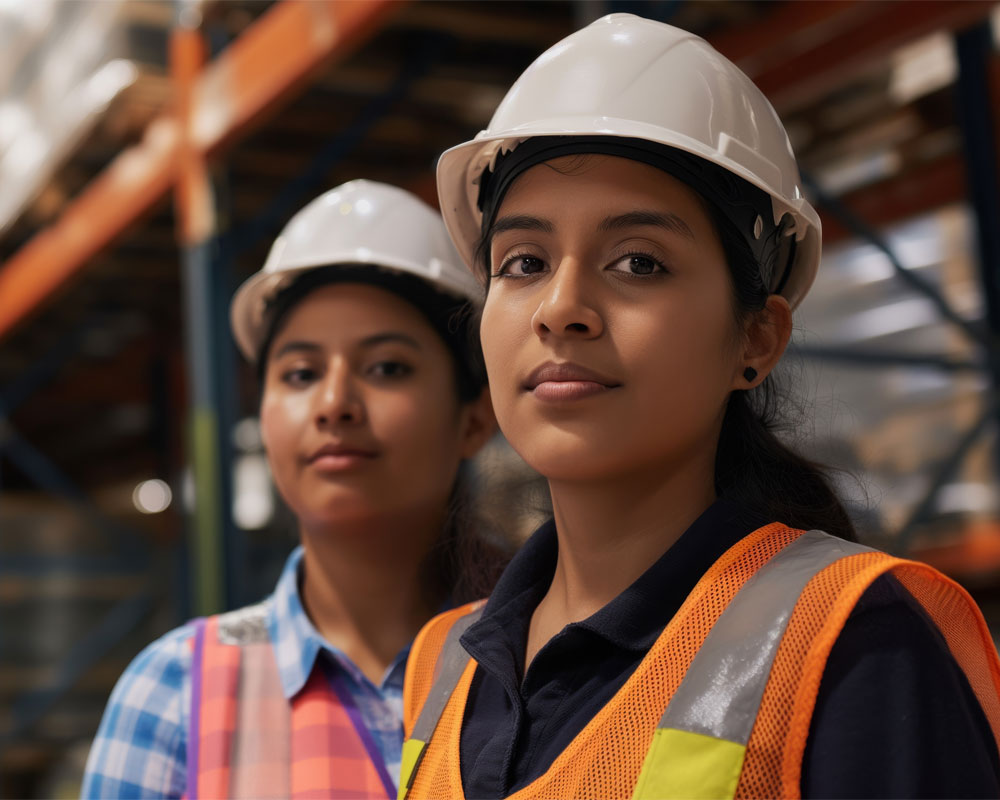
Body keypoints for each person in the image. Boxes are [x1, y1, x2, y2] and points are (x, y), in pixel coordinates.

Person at [399, 15, 1000, 800]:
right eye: (523, 262)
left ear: (756, 337)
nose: (561, 307)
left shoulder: (853, 643)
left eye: (638, 261)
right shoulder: (445, 667)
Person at [82, 180, 505, 799]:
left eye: (388, 367)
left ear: (473, 418)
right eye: (301, 373)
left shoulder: (551, 652)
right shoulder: (177, 693)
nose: (334, 404)